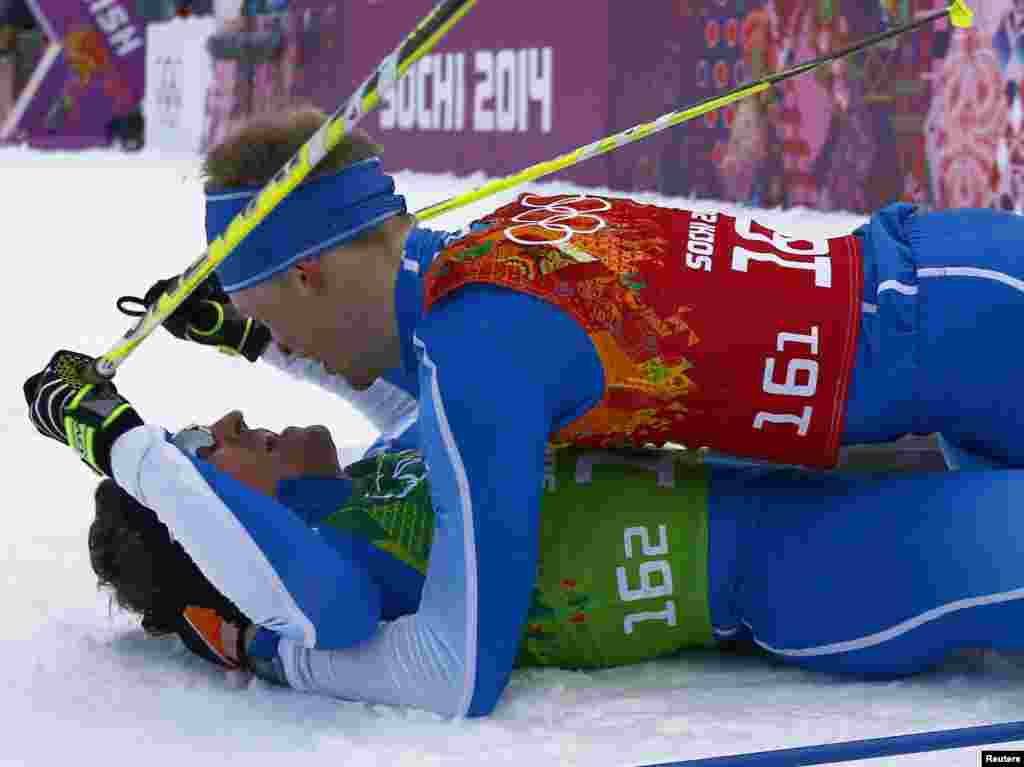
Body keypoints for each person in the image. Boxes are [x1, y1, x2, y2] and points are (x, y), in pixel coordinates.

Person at [27, 102, 1024, 716]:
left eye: (271, 323)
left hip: (949, 358)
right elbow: (463, 381)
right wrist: (195, 394)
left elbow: (469, 421)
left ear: (314, 271)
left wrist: (129, 445)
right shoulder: (493, 253)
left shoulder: (477, 358)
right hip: (947, 305)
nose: (276, 353)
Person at [21, 352, 1024, 714]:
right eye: (211, 450)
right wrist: (137, 452)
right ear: (226, 530)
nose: (232, 424)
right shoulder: (340, 574)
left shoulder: (378, 472)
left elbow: (426, 382)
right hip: (802, 568)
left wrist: (263, 337)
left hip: (790, 451)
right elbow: (305, 602)